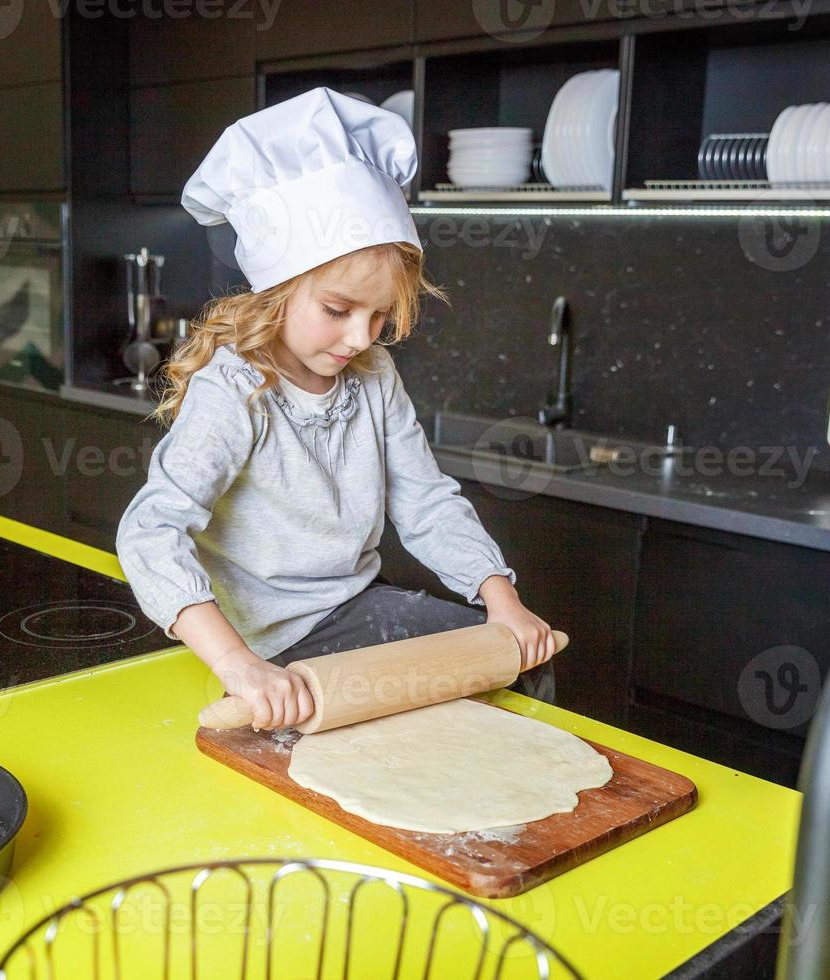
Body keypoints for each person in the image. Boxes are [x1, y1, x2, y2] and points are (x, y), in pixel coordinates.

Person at [116, 88, 559, 730]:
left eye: (380, 317)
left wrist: (503, 602)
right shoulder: (236, 389)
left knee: (516, 664)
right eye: (338, 310)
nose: (359, 339)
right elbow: (149, 531)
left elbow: (426, 502)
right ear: (279, 291)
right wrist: (239, 667)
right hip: (260, 642)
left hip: (352, 610)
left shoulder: (373, 375)